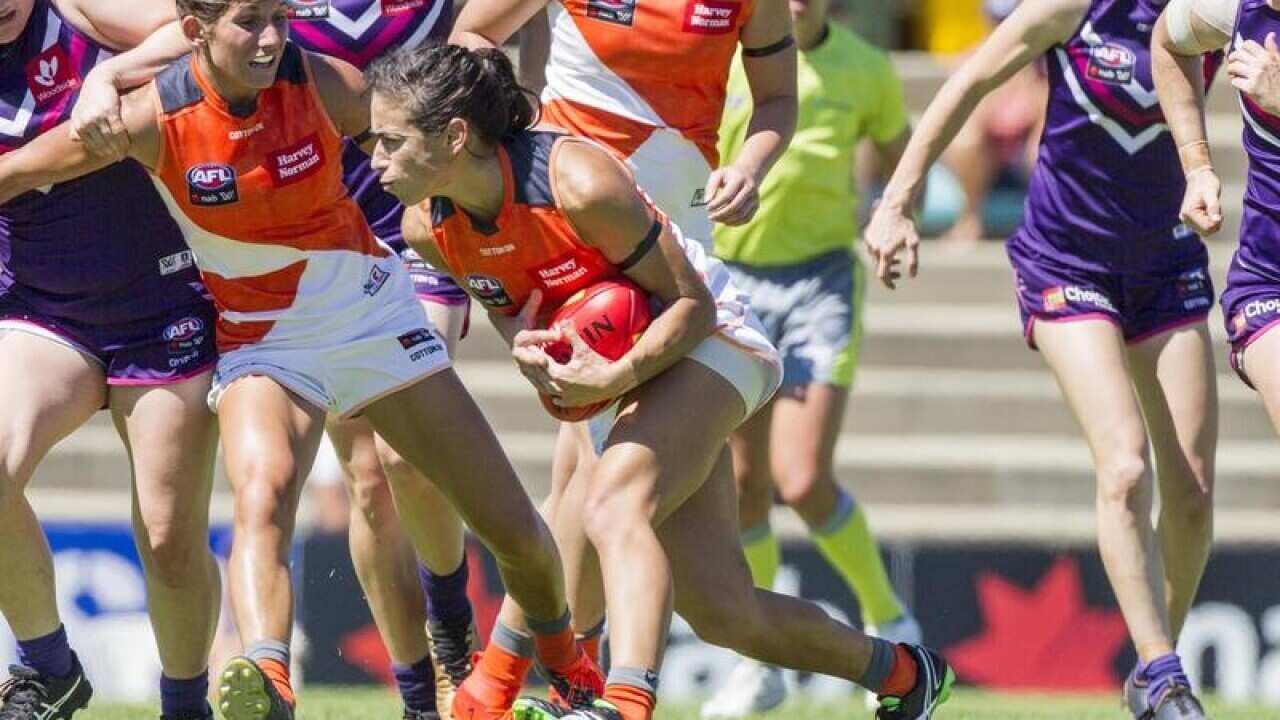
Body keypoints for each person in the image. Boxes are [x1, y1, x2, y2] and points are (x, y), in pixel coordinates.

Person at [0, 2, 604, 719]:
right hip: (263, 337)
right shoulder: (149, 120)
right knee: (263, 493)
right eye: (249, 23)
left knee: (511, 529)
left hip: (369, 317)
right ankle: (267, 675)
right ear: (195, 30)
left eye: (279, 19)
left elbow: (438, 149)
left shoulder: (326, 83)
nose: (271, 40)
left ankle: (569, 667)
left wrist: (513, 267)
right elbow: (24, 169)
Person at [366, 42, 956, 720]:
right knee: (726, 613)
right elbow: (515, 310)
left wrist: (614, 373)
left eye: (389, 142)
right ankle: (908, 674)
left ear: (455, 135)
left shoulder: (577, 182)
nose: (374, 161)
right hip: (627, 374)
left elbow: (692, 305)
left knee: (613, 502)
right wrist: (535, 352)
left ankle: (622, 703)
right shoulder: (428, 227)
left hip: (714, 341)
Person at [69, 1, 482, 716]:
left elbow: (495, 36)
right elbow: (177, 32)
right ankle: (418, 695)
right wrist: (107, 79)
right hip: (282, 238)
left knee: (400, 462)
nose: (271, 35)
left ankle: (453, 632)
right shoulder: (257, 17)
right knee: (364, 480)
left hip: (400, 220)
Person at [866, 1, 1220, 718]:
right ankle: (1162, 669)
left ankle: (1157, 670)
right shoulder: (1074, 7)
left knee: (1192, 494)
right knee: (1124, 464)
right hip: (1067, 262)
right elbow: (968, 84)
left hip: (1166, 263)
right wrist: (896, 202)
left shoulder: (1215, 12)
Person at [448, 0, 798, 666]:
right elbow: (473, 31)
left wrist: (750, 168)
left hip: (677, 249)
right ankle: (535, 680)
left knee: (714, 596)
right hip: (575, 233)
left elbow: (778, 100)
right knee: (595, 478)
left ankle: (541, 676)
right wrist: (522, 134)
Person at [0, 2, 223, 719]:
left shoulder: (80, 7)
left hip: (161, 301)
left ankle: (184, 705)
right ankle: (49, 669)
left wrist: (115, 75)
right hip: (42, 307)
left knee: (167, 538)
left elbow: (202, 34)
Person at [699, 1, 920, 716]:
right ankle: (759, 668)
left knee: (803, 476)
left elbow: (902, 163)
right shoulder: (725, 53)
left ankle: (889, 617)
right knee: (745, 482)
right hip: (734, 277)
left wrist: (899, 214)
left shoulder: (866, 67)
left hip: (821, 281)